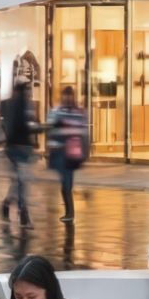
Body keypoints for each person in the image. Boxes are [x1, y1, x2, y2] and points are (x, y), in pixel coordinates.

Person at [45, 85, 88, 223]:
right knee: (66, 182)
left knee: (66, 182)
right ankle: (70, 210)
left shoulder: (59, 110)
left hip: (65, 152)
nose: (68, 98)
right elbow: (82, 131)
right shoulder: (75, 111)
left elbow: (51, 130)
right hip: (70, 151)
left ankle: (70, 212)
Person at [0, 80, 37, 230]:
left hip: (15, 147)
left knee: (18, 180)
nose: (27, 93)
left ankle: (7, 205)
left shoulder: (9, 104)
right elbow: (25, 125)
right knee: (22, 181)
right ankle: (23, 215)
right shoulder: (23, 104)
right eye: (26, 90)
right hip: (20, 148)